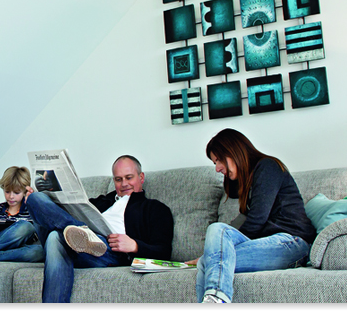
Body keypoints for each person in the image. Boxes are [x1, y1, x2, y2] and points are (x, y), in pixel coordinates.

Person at [187, 128, 315, 303]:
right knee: (208, 257)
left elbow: (257, 219)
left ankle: (217, 298)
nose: (217, 168)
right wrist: (209, 252)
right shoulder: (248, 183)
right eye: (215, 163)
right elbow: (239, 224)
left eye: (219, 160)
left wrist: (215, 251)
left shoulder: (268, 167)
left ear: (233, 151)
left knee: (214, 244)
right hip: (272, 244)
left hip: (291, 243)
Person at [24, 155, 174, 303]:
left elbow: (164, 252)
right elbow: (61, 214)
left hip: (109, 253)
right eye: (118, 179)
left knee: (54, 238)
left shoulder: (154, 208)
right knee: (35, 199)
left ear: (141, 177)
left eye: (129, 178)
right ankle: (83, 234)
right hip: (76, 244)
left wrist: (135, 246)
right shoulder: (102, 201)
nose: (124, 184)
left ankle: (84, 236)